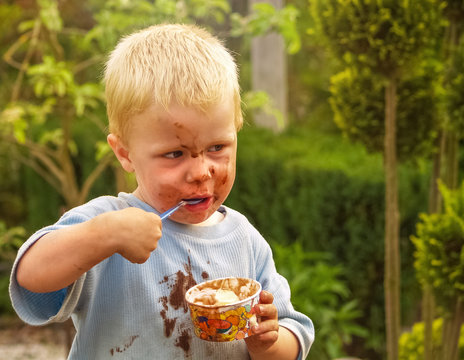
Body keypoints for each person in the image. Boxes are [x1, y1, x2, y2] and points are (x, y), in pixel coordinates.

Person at [9, 23, 314, 359]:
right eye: (175, 154)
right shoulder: (109, 223)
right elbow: (29, 279)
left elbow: (292, 340)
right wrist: (104, 236)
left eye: (217, 147)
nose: (201, 172)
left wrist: (267, 342)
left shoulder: (243, 240)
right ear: (124, 153)